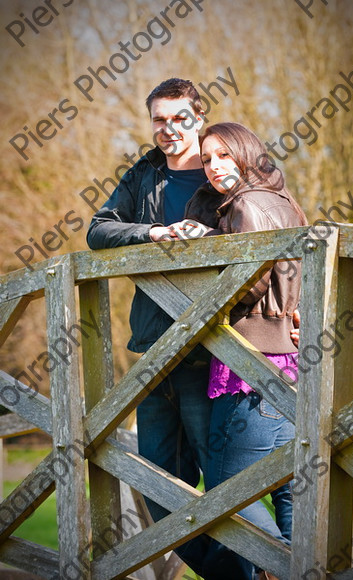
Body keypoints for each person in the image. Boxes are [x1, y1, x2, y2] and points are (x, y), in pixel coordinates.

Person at [86, 80, 256, 579]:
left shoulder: (224, 167)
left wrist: (214, 241)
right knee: (159, 487)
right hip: (154, 350)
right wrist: (153, 232)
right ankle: (236, 575)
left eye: (179, 118)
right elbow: (99, 229)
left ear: (198, 117)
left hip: (215, 351)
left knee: (226, 485)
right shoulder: (145, 174)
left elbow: (265, 227)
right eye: (159, 119)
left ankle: (256, 571)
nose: (168, 129)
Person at [179, 122, 308, 580]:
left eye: (224, 156)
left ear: (246, 154)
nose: (214, 167)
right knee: (290, 489)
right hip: (290, 362)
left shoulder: (246, 204)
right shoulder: (284, 201)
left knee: (226, 491)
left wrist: (204, 247)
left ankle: (274, 570)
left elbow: (247, 282)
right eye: (208, 159)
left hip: (249, 363)